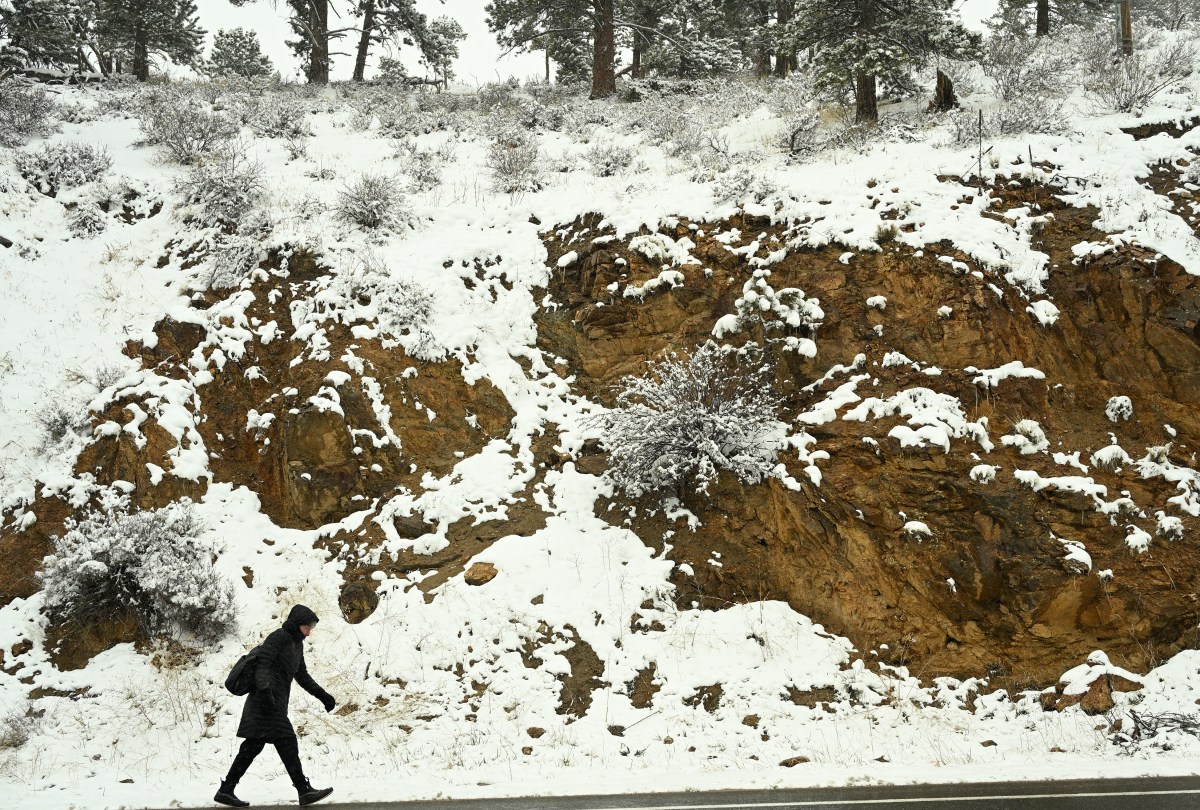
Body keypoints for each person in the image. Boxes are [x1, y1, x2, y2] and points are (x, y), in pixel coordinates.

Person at [215, 605, 337, 808]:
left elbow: (302, 676)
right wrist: (265, 692)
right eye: (308, 626)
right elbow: (262, 665)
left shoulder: (297, 645)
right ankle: (303, 791)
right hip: (263, 703)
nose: (309, 631)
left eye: (311, 627)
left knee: (253, 746)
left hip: (275, 704)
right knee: (287, 741)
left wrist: (324, 696)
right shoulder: (279, 637)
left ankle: (226, 790)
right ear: (298, 624)